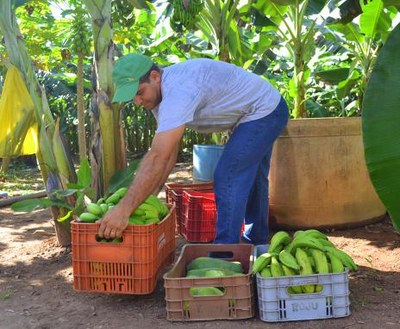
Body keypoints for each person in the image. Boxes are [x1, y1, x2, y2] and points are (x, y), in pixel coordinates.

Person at [98, 53, 289, 245]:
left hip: (264, 111)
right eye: (133, 97)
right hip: (260, 109)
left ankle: (226, 253)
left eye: (139, 92)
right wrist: (149, 198)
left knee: (228, 174)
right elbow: (169, 154)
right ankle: (256, 242)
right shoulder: (160, 97)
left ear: (155, 77)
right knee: (252, 177)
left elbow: (157, 157)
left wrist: (123, 210)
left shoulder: (179, 91)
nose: (138, 102)